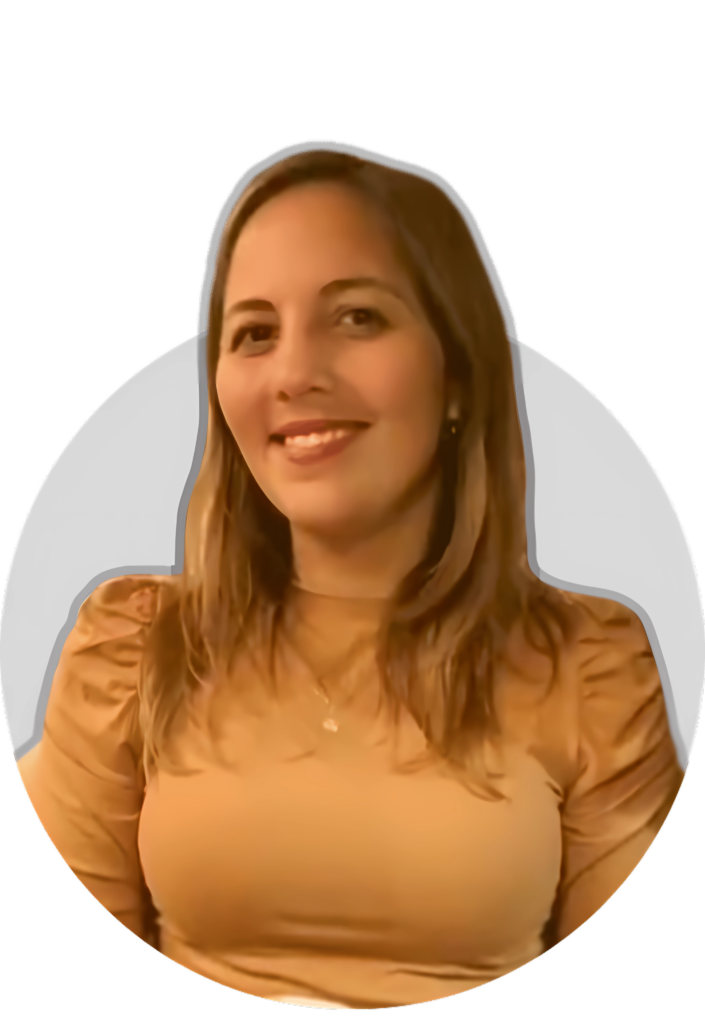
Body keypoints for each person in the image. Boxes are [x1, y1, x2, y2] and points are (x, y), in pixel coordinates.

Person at [16, 150, 684, 1011]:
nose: (294, 373)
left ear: (458, 375)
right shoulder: (135, 646)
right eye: (253, 333)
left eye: (357, 318)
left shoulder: (589, 666)